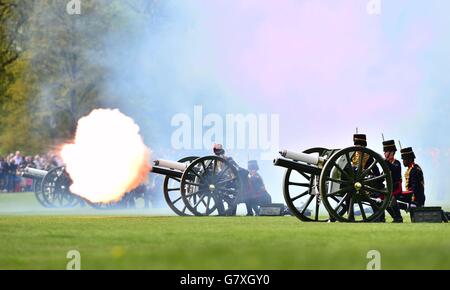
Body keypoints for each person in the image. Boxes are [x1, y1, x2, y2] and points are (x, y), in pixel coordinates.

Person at [382, 140, 403, 223]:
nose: (384, 154)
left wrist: (386, 162)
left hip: (396, 187)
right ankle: (394, 217)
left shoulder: (397, 163)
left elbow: (394, 170)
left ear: (392, 152)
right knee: (380, 198)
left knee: (388, 198)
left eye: (386, 151)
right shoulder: (386, 163)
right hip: (390, 187)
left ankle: (398, 217)